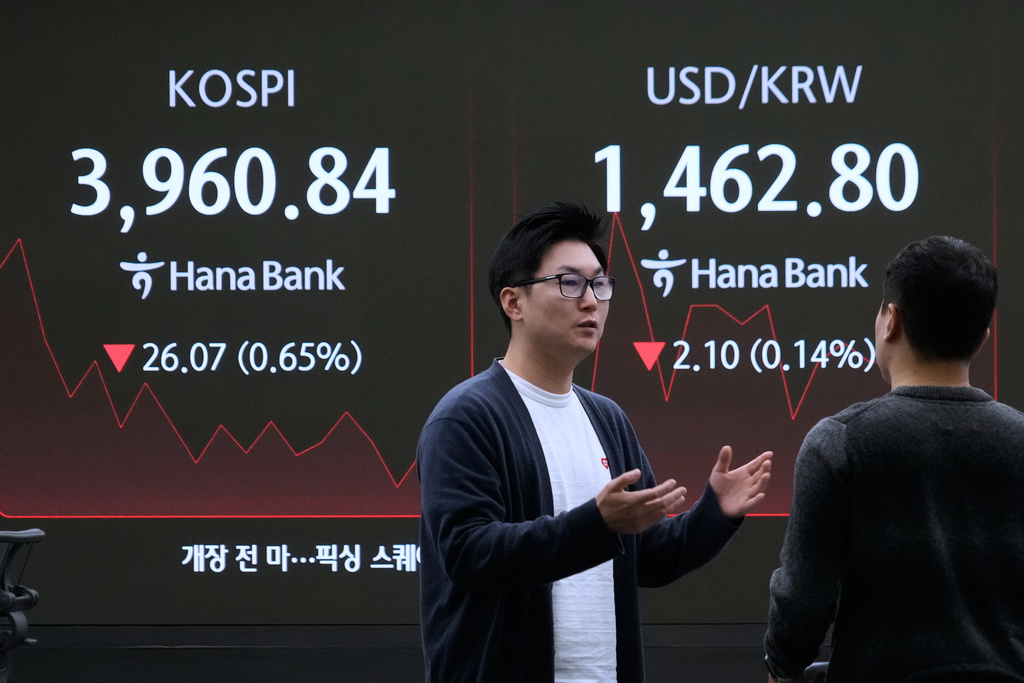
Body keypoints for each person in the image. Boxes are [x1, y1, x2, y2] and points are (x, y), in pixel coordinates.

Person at [417, 201, 773, 682]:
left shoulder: (607, 418)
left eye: (600, 284)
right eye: (570, 283)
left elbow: (649, 556)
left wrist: (715, 513)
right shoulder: (467, 417)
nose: (591, 301)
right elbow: (468, 553)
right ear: (513, 303)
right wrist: (596, 525)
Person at [764, 236, 1024, 682]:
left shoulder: (840, 443)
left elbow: (803, 602)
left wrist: (780, 669)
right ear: (982, 338)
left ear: (892, 321)